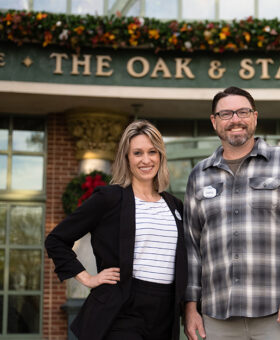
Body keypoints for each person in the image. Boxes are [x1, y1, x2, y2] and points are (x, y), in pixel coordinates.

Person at [183, 86, 280, 340]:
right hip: (217, 315)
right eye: (226, 114)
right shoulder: (199, 175)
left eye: (243, 112)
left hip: (277, 310)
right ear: (214, 122)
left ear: (255, 117)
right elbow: (192, 248)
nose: (235, 119)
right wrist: (191, 307)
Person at [45, 120, 187, 340]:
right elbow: (56, 239)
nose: (146, 160)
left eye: (152, 152)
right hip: (123, 309)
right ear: (127, 158)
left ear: (160, 156)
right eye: (137, 153)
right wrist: (87, 278)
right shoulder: (109, 198)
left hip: (165, 313)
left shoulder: (175, 205)